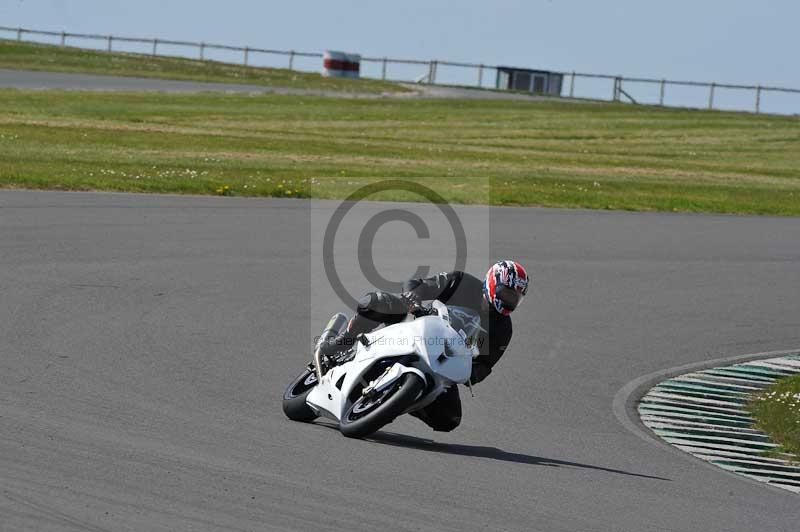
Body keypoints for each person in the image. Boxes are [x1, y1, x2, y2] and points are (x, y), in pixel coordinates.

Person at [320, 260, 530, 432]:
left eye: (515, 299)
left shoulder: (503, 329)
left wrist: (470, 374)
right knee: (376, 302)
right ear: (493, 283)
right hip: (418, 327)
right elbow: (419, 285)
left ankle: (398, 401)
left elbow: (486, 364)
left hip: (445, 360)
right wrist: (414, 298)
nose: (509, 302)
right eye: (506, 294)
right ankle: (342, 341)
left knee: (450, 419)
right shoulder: (461, 282)